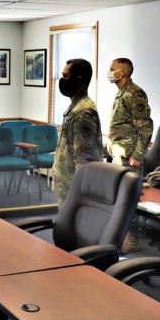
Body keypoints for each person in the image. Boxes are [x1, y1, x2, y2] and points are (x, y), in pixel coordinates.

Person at [106, 57, 153, 253]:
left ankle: (132, 240)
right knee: (119, 197)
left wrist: (138, 154)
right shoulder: (121, 93)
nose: (109, 71)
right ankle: (121, 236)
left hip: (129, 156)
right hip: (119, 153)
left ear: (122, 73)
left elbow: (145, 127)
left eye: (112, 69)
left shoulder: (135, 94)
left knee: (129, 197)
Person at [52, 58, 103, 208]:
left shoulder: (82, 112)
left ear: (78, 80)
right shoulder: (76, 107)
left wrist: (80, 195)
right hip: (68, 187)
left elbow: (85, 161)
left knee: (72, 230)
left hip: (75, 191)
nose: (61, 80)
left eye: (65, 76)